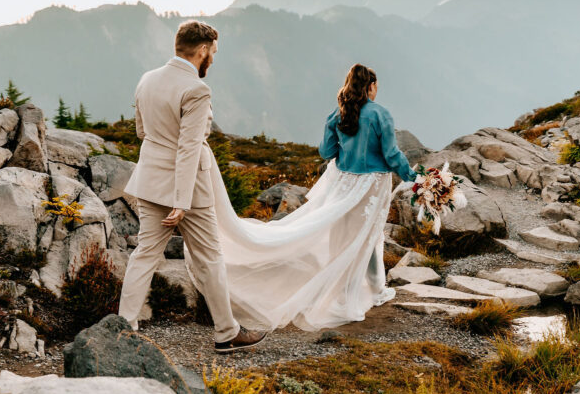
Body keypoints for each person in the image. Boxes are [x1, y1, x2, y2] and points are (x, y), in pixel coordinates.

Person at [213, 63, 417, 331]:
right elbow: (391, 155)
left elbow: (326, 151)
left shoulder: (338, 113)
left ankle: (355, 289)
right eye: (376, 86)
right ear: (370, 86)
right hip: (372, 185)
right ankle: (368, 291)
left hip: (344, 182)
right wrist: (414, 177)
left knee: (342, 234)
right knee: (369, 235)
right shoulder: (381, 115)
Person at [118, 20, 266, 353]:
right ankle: (227, 331)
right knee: (210, 257)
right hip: (189, 192)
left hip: (149, 180)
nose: (213, 58)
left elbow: (143, 132)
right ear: (202, 51)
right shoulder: (197, 89)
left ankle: (123, 327)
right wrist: (181, 201)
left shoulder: (147, 79)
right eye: (213, 52)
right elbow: (188, 147)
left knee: (143, 255)